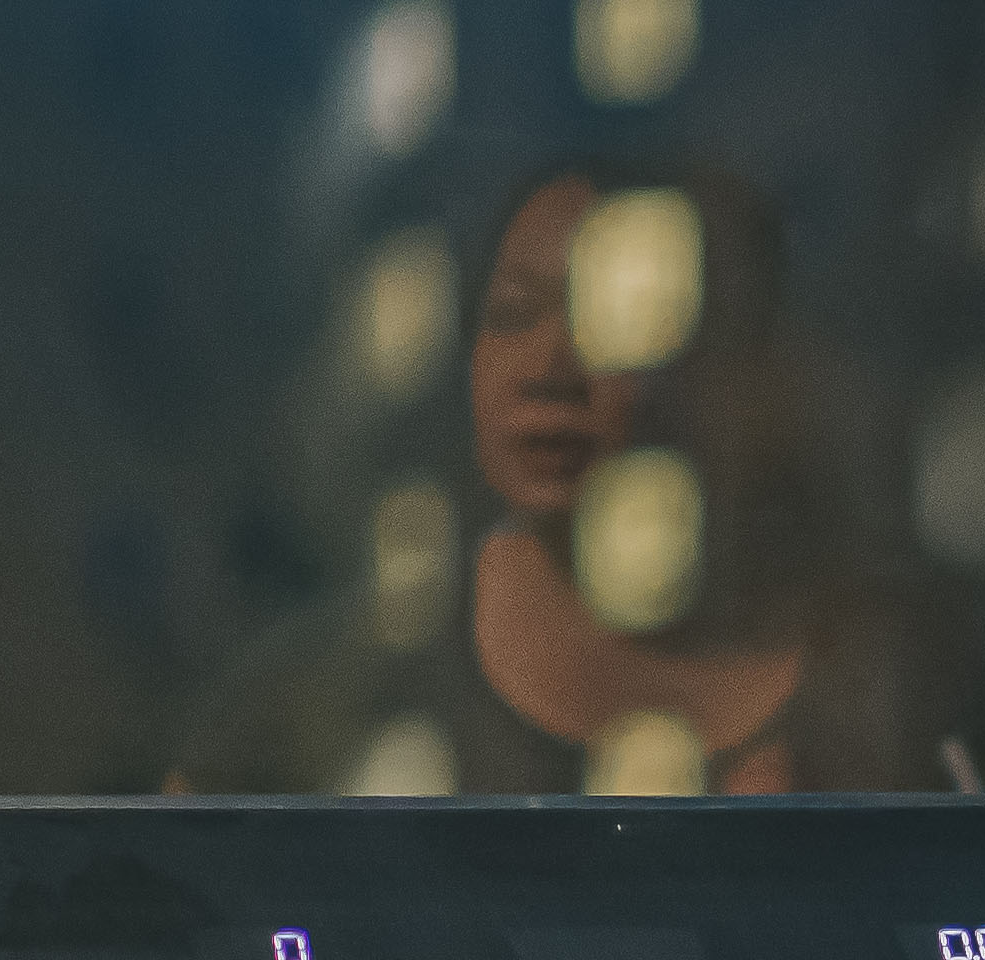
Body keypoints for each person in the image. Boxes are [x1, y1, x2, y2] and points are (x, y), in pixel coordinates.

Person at [194, 160, 921, 798]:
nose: (556, 368)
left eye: (642, 316)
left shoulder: (868, 682)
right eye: (515, 313)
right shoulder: (341, 695)